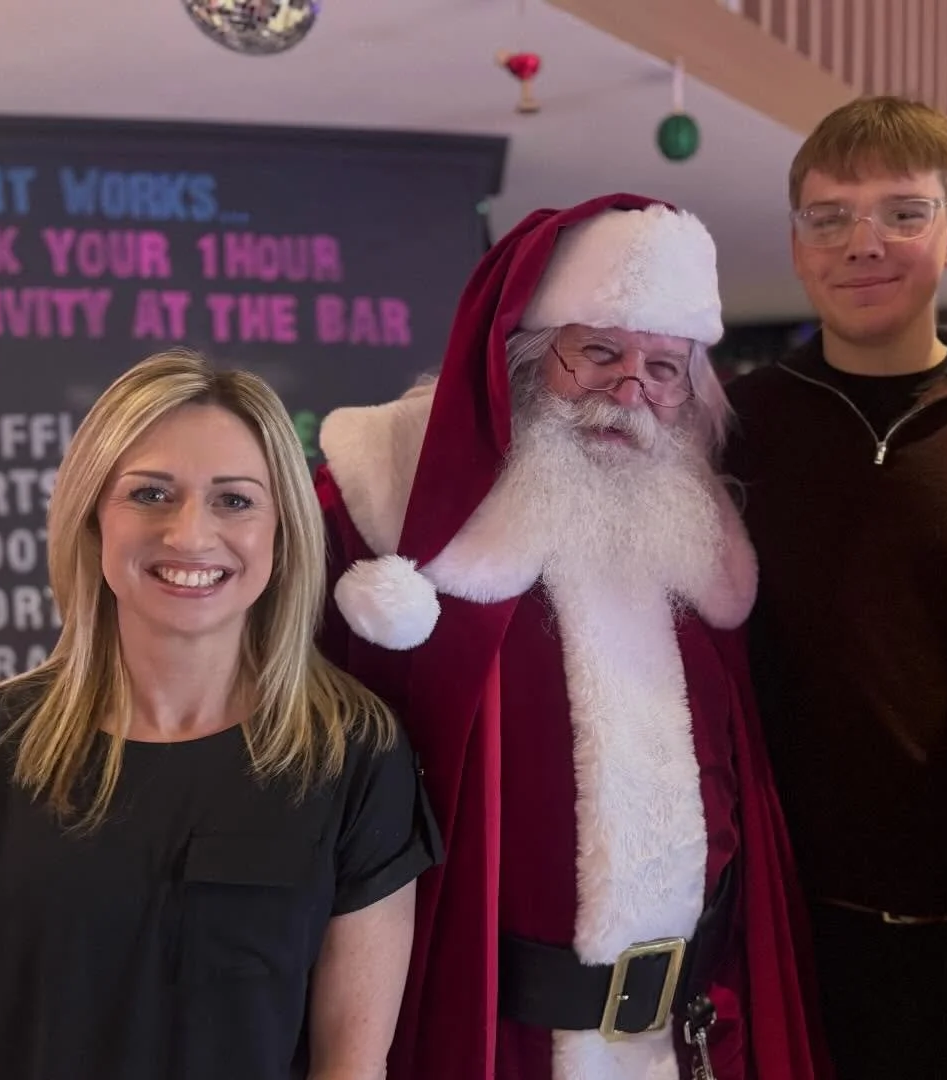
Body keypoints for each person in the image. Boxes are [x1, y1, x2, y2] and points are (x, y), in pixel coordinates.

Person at [315, 193, 826, 1080]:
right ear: (520, 357)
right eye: (597, 352)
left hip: (692, 1037)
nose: (631, 389)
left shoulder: (697, 541)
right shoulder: (378, 514)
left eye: (665, 367)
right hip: (498, 1039)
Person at [0, 350, 441, 1080]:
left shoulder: (355, 756)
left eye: (234, 500)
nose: (191, 535)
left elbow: (349, 1067)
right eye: (151, 494)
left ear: (280, 530)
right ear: (93, 518)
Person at [722, 95, 947, 1076]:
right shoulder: (730, 429)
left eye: (903, 212)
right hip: (780, 934)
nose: (865, 242)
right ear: (798, 240)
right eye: (832, 216)